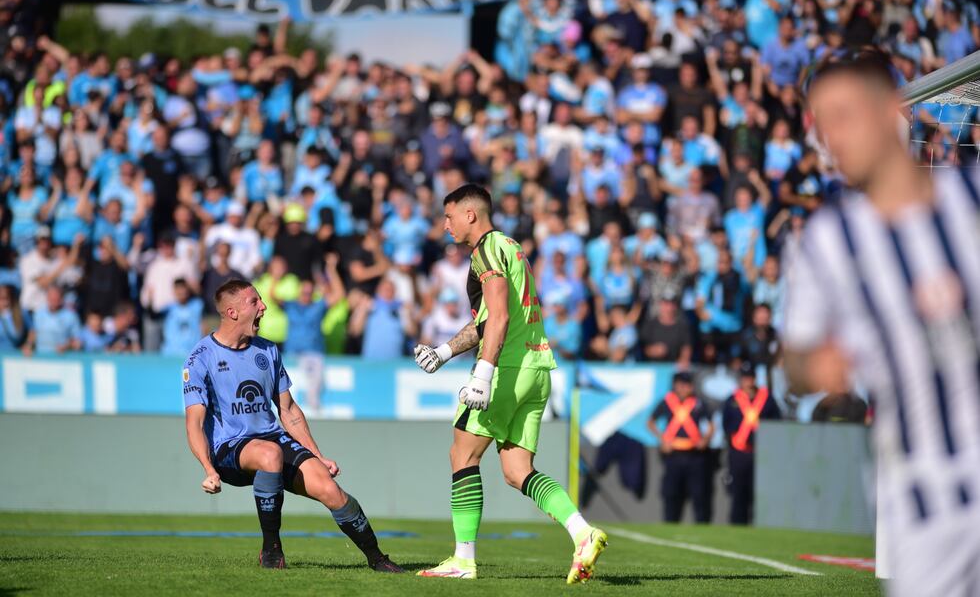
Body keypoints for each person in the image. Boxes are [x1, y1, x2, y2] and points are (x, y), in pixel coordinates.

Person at [784, 49, 980, 595]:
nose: (832, 139)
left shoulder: (971, 202)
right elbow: (795, 361)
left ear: (891, 111)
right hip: (925, 501)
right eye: (822, 125)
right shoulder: (828, 242)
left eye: (844, 116)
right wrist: (817, 365)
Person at [412, 184, 607, 583]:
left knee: (462, 456)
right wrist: (445, 352)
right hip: (537, 369)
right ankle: (583, 533)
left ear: (471, 215)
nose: (445, 224)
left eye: (449, 216)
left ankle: (463, 560)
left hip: (507, 370)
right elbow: (489, 318)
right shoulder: (510, 247)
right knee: (518, 470)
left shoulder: (485, 249)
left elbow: (497, 319)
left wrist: (483, 374)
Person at [182, 279, 404, 572]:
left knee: (331, 490)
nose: (263, 307)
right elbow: (194, 423)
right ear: (233, 312)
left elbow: (288, 411)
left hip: (270, 438)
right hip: (229, 450)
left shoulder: (268, 351)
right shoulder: (201, 357)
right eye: (255, 302)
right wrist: (209, 470)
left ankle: (378, 559)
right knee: (269, 454)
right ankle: (271, 550)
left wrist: (317, 455)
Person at [647, 371, 713, 523]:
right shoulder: (667, 402)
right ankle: (670, 524)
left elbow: (711, 425)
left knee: (699, 493)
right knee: (671, 493)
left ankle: (702, 525)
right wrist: (663, 439)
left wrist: (705, 439)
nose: (685, 388)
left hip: (694, 454)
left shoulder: (698, 403)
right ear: (675, 385)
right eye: (682, 384)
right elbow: (650, 422)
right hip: (673, 454)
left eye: (688, 385)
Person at [721, 361, 781, 525]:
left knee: (759, 492)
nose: (748, 381)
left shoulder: (767, 399)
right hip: (739, 452)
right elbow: (726, 425)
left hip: (761, 452)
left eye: (750, 377)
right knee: (738, 492)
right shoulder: (732, 400)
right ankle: (737, 524)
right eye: (745, 377)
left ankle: (759, 524)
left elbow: (777, 422)